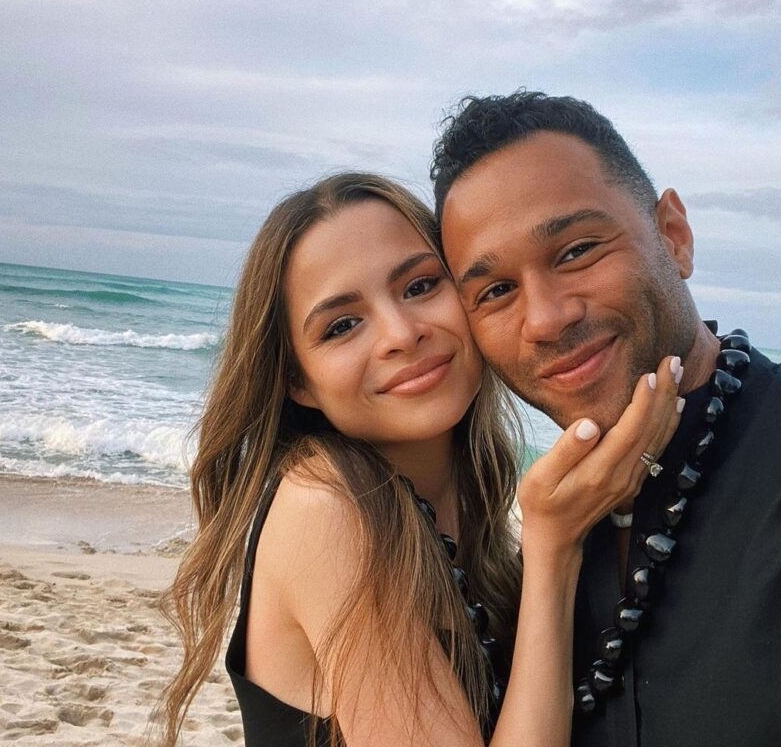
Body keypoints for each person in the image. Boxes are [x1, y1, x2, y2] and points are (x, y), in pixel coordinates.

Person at [159, 172, 683, 747]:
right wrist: (552, 548)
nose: (401, 334)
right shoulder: (326, 506)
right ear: (296, 379)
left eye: (419, 286)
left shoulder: (453, 501)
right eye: (342, 326)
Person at [431, 90, 781, 747]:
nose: (545, 318)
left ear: (673, 236)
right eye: (495, 292)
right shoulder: (541, 549)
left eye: (576, 250)